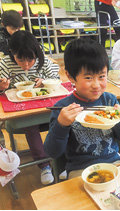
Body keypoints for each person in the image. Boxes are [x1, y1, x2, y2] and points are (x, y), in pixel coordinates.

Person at [44, 38, 120, 179]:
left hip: (113, 162)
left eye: (102, 76)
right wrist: (61, 125)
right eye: (89, 78)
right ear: (70, 76)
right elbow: (52, 152)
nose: (96, 85)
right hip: (80, 169)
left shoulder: (110, 100)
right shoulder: (63, 108)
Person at [0, 30, 60, 185]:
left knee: (62, 121)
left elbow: (57, 80)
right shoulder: (5, 64)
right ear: (12, 53)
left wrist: (45, 80)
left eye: (30, 60)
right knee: (30, 125)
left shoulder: (43, 61)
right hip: (24, 112)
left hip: (46, 109)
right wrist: (1, 87)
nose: (26, 65)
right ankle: (44, 165)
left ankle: (62, 159)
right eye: (20, 60)